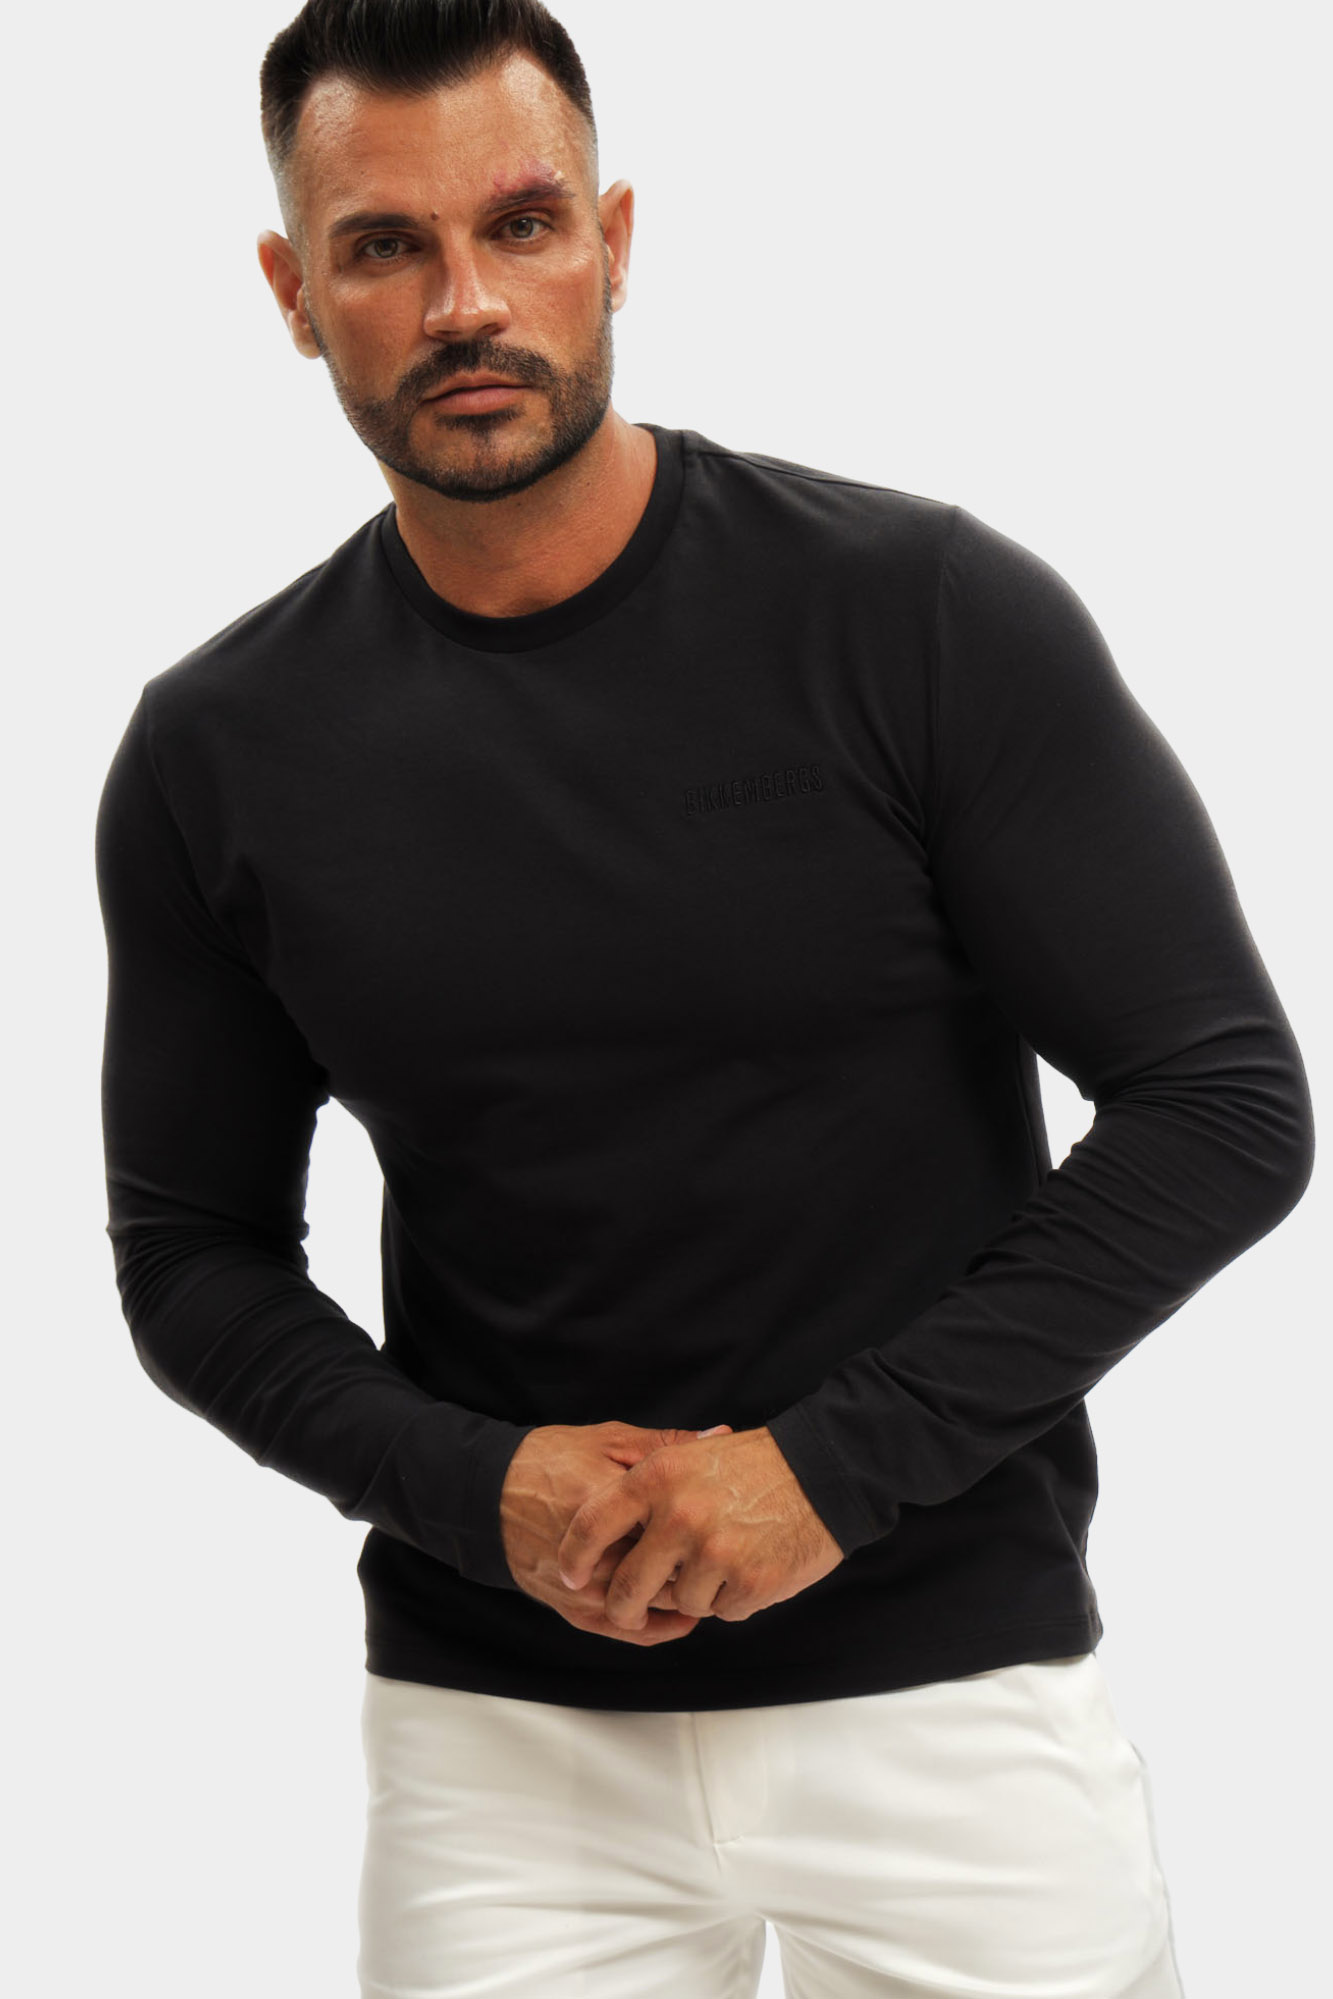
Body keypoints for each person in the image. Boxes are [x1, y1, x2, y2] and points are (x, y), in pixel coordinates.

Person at [93, 2, 1314, 1995]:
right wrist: (474, 1490)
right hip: (502, 1745)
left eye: (521, 224)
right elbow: (191, 1256)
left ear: (614, 241)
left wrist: (823, 1471)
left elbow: (1221, 1104)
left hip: (948, 1699)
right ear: (293, 296)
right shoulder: (218, 750)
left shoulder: (915, 616)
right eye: (385, 246)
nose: (466, 302)